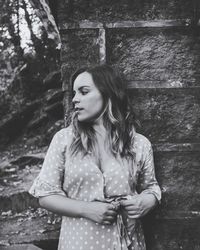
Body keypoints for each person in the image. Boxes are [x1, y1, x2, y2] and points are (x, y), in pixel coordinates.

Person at [29, 64, 161, 250]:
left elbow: (151, 187)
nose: (75, 99)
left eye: (84, 92)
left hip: (128, 242)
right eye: (74, 93)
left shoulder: (139, 144)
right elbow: (45, 195)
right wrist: (87, 209)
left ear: (108, 93)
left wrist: (147, 201)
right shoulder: (64, 140)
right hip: (79, 242)